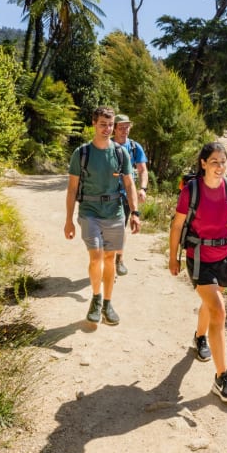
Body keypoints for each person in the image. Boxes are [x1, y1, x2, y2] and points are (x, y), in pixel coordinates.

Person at [168, 142, 227, 402]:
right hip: (198, 257)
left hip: (224, 256)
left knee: (211, 305)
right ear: (203, 164)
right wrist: (172, 257)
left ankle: (200, 337)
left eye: (223, 162)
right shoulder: (191, 190)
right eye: (214, 162)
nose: (219, 167)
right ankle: (222, 378)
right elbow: (177, 226)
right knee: (219, 310)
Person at [65, 106, 141, 325]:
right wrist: (69, 220)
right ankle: (96, 299)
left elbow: (129, 183)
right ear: (94, 124)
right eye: (103, 125)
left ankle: (107, 302)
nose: (107, 129)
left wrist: (134, 212)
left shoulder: (120, 152)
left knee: (109, 258)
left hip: (115, 212)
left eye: (110, 125)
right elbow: (72, 189)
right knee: (96, 256)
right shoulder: (82, 153)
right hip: (89, 211)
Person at [112, 113, 148, 276]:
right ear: (114, 129)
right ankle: (106, 259)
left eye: (127, 127)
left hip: (126, 195)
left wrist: (143, 188)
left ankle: (119, 259)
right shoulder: (106, 146)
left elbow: (142, 169)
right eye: (121, 127)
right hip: (106, 195)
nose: (125, 130)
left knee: (120, 228)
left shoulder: (134, 147)